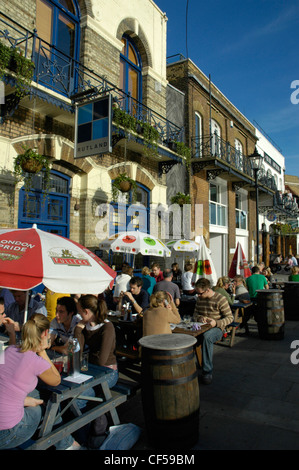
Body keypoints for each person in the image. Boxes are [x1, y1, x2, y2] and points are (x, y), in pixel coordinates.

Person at [0, 313, 80, 450]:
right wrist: (42, 352)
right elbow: (56, 380)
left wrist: (12, 334)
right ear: (45, 333)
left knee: (36, 394)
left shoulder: (8, 351)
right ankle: (67, 445)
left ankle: (67, 444)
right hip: (8, 433)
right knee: (44, 409)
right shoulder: (36, 362)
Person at [193, 278, 233, 385]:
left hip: (217, 328)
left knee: (207, 337)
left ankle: (207, 371)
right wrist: (200, 318)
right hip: (202, 326)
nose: (198, 296)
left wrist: (216, 323)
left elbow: (230, 318)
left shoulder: (220, 299)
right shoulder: (199, 299)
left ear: (207, 290)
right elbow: (195, 314)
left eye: (200, 293)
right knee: (188, 337)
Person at [75, 295, 118, 389]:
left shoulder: (107, 327)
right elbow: (77, 352)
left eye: (79, 312)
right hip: (90, 368)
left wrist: (86, 360)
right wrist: (78, 330)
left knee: (80, 394)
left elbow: (102, 360)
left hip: (108, 372)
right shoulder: (85, 326)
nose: (78, 315)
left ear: (86, 312)